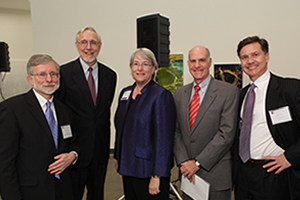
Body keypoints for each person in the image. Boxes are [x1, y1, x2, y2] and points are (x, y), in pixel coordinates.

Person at [0, 54, 78, 200]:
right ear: (30, 79)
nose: (49, 79)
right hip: (31, 193)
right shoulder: (12, 109)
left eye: (53, 74)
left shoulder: (64, 110)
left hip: (64, 190)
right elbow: (5, 164)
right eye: (42, 74)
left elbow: (73, 143)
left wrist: (72, 155)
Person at [233, 36, 300, 200]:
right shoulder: (241, 95)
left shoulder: (290, 89)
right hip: (243, 175)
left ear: (267, 56)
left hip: (275, 174)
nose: (250, 61)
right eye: (244, 57)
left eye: (255, 55)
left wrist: (290, 157)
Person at [55, 27, 117, 200]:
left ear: (100, 46)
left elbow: (102, 111)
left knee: (97, 194)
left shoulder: (110, 75)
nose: (88, 47)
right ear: (77, 45)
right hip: (75, 149)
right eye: (84, 42)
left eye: (93, 42)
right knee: (72, 194)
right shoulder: (64, 73)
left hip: (100, 148)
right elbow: (59, 112)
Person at [173, 45, 239, 200]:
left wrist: (197, 163)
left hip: (215, 174)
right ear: (188, 64)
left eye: (202, 60)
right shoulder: (179, 94)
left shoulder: (228, 92)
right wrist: (183, 162)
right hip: (187, 175)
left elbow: (226, 134)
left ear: (210, 62)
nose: (197, 65)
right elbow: (176, 132)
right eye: (193, 61)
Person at [114, 48, 176, 200]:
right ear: (131, 68)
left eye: (145, 64)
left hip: (148, 170)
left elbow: (164, 139)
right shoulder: (125, 93)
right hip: (127, 166)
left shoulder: (161, 95)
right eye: (136, 64)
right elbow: (120, 127)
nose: (140, 69)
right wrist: (117, 157)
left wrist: (157, 174)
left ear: (153, 68)